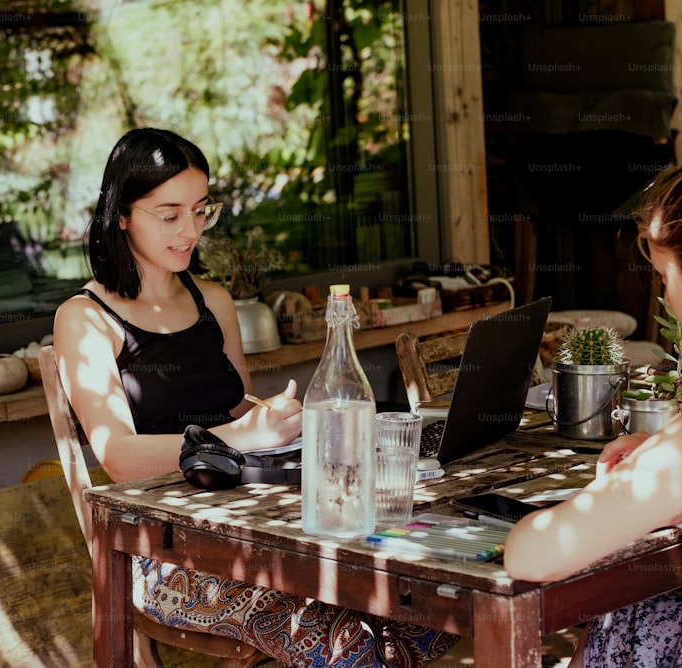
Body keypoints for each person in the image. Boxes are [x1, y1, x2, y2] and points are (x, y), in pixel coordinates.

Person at [53, 127, 458, 666]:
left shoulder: (213, 300)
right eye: (169, 214)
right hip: (164, 553)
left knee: (431, 614)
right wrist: (239, 435)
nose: (190, 230)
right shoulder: (85, 319)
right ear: (120, 215)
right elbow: (120, 458)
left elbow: (237, 401)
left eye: (201, 210)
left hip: (258, 523)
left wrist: (273, 413)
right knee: (354, 642)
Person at [504, 141, 682, 667]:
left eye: (666, 277)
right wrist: (677, 458)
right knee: (632, 619)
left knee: (625, 621)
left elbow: (532, 556)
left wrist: (635, 493)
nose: (665, 297)